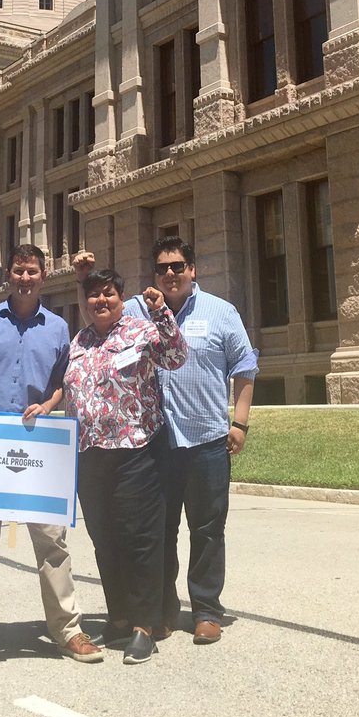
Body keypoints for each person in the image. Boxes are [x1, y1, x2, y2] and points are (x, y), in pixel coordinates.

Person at [0, 243, 103, 670]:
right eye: (18, 271)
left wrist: (49, 404)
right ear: (8, 275)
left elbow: (65, 380)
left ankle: (68, 630)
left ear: (43, 276)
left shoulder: (58, 328)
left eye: (32, 271)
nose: (25, 278)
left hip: (39, 444)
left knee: (52, 543)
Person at [125, 237, 257, 645]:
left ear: (192, 270)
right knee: (159, 531)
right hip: (156, 442)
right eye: (162, 267)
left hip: (207, 441)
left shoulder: (221, 311)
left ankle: (206, 611)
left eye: (178, 266)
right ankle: (162, 610)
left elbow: (245, 366)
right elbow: (100, 313)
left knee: (208, 529)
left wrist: (240, 423)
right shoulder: (136, 311)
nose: (170, 274)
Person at [64, 265, 187, 666]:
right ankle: (118, 618)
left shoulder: (141, 330)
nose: (100, 300)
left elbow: (176, 356)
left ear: (121, 298)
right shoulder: (80, 340)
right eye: (94, 294)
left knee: (140, 540)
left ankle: (144, 627)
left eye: (108, 293)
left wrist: (161, 312)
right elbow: (68, 388)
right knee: (105, 539)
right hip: (90, 455)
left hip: (136, 452)